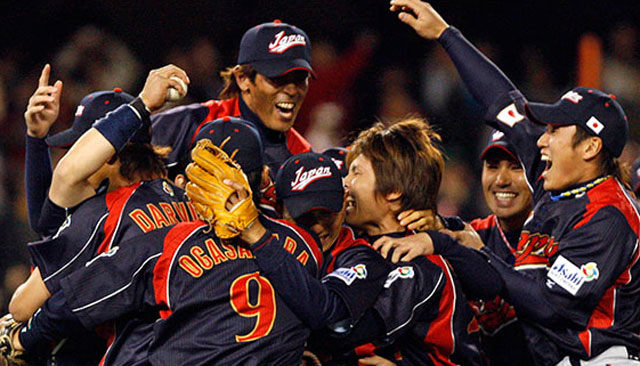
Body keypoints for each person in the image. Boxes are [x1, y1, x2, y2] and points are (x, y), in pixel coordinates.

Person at [388, 1, 640, 364]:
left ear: (590, 146)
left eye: (555, 130)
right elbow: (501, 101)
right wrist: (446, 34)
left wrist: (471, 250)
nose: (541, 139)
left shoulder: (608, 216)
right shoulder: (555, 177)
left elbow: (548, 304)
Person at [2, 118, 324, 366]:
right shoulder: (299, 243)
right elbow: (329, 311)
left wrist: (26, 338)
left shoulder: (161, 236)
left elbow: (34, 303)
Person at [8, 64, 197, 366]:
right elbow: (48, 223)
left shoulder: (105, 211)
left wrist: (24, 334)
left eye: (77, 148)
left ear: (107, 152)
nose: (67, 159)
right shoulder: (186, 200)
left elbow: (21, 307)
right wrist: (36, 136)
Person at [343, 118, 491, 365]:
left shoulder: (420, 264)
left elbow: (347, 332)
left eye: (356, 172)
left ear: (393, 191)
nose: (345, 183)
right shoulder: (360, 244)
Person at [151, 20, 314, 179]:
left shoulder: (303, 164)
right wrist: (142, 105)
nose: (292, 90)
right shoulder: (187, 124)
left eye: (300, 79)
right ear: (243, 78)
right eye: (277, 79)